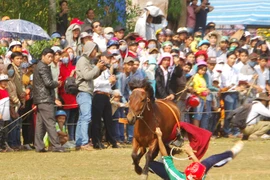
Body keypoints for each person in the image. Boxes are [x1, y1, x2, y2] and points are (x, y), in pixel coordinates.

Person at [149, 127, 244, 180]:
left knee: (150, 164)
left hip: (172, 178)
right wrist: (191, 153)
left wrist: (159, 137)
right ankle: (231, 153)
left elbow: (166, 156)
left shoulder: (176, 177)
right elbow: (199, 165)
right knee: (211, 160)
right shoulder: (200, 176)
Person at [33, 48, 68, 153]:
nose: (51, 59)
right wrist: (57, 83)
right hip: (45, 99)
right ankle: (56, 146)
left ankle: (39, 146)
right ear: (43, 56)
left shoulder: (39, 66)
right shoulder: (43, 67)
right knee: (50, 123)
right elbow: (48, 83)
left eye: (52, 57)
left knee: (40, 124)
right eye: (49, 56)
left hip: (40, 99)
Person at [75, 42, 105, 150]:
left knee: (82, 117)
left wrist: (100, 69)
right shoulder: (83, 61)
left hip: (86, 91)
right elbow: (87, 76)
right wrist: (97, 67)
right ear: (89, 49)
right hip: (83, 91)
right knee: (86, 117)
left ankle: (79, 142)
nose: (95, 52)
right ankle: (84, 142)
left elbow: (92, 75)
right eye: (94, 50)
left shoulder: (87, 61)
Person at [92, 51, 119, 149]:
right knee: (97, 121)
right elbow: (94, 83)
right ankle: (97, 142)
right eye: (108, 58)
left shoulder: (107, 71)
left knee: (109, 120)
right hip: (98, 95)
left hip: (106, 96)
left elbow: (106, 86)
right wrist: (108, 81)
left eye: (110, 58)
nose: (109, 60)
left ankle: (112, 141)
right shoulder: (96, 69)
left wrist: (111, 84)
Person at [0, 74, 10, 152]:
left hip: (6, 113)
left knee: (5, 131)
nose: (5, 83)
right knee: (1, 130)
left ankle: (3, 146)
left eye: (6, 81)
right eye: (3, 81)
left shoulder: (6, 91)